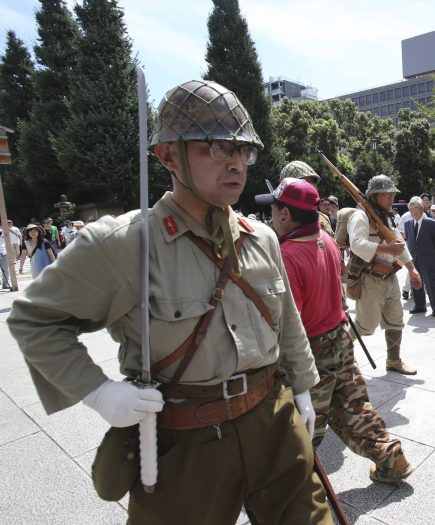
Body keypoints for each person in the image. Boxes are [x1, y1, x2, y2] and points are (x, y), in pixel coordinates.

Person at [8, 80, 332, 524]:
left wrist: (302, 388)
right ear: (167, 156)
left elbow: (287, 320)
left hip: (272, 420)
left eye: (243, 151)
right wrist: (98, 392)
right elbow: (34, 318)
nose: (236, 163)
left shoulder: (262, 240)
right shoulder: (125, 244)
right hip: (185, 440)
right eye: (218, 148)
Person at [260, 176, 415, 484]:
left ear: (285, 214)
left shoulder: (288, 255)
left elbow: (291, 321)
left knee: (305, 420)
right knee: (354, 405)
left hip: (312, 350)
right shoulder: (326, 240)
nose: (271, 217)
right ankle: (392, 458)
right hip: (340, 338)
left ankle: (292, 485)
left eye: (274, 210)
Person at [347, 174, 422, 376]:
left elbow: (399, 244)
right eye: (386, 194)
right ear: (373, 196)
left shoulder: (387, 217)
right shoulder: (361, 216)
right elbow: (357, 244)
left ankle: (393, 360)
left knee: (396, 320)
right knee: (366, 325)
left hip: (390, 277)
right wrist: (387, 249)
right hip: (370, 279)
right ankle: (341, 353)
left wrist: (412, 269)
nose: (391, 198)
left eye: (391, 194)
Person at [402, 196, 435, 317]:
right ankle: (419, 306)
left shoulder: (430, 223)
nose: (415, 211)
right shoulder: (408, 223)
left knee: (431, 284)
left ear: (422, 209)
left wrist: (429, 254)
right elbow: (409, 240)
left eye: (417, 208)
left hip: (427, 258)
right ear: (409, 210)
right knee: (416, 282)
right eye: (412, 208)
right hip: (413, 259)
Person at [280, 160, 334, 237]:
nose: (312, 187)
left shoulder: (323, 218)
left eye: (314, 182)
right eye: (303, 183)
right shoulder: (277, 222)